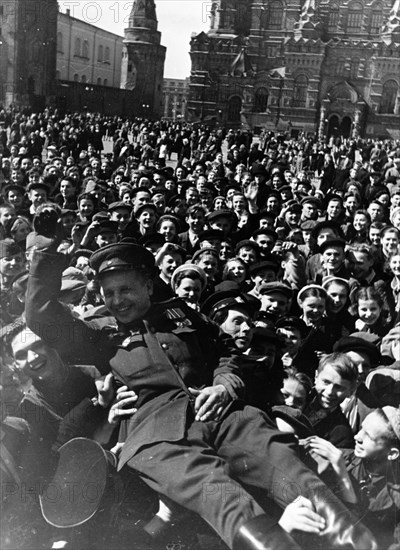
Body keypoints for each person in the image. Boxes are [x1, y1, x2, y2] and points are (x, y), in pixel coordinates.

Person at [25, 209, 377, 550]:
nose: (117, 301)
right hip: (159, 440)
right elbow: (40, 316)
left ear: (148, 286)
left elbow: (226, 350)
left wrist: (224, 384)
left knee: (289, 470)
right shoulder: (100, 335)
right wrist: (44, 247)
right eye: (109, 293)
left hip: (224, 417)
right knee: (221, 497)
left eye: (126, 289)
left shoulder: (181, 315)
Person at [304, 407, 400, 549]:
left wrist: (341, 472)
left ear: (392, 454)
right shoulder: (342, 457)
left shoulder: (396, 495)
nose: (357, 436)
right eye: (361, 429)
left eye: (369, 436)